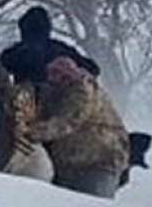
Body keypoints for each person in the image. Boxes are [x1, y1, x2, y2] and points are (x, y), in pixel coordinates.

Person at [29, 57, 129, 198]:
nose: (53, 79)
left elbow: (66, 122)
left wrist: (28, 132)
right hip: (70, 166)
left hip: (98, 163)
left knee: (92, 206)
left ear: (68, 75)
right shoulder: (59, 93)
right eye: (51, 75)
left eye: (59, 75)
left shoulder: (82, 91)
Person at [0, 6, 100, 85]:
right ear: (47, 28)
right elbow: (93, 69)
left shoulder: (15, 53)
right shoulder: (60, 49)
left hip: (27, 103)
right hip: (61, 102)